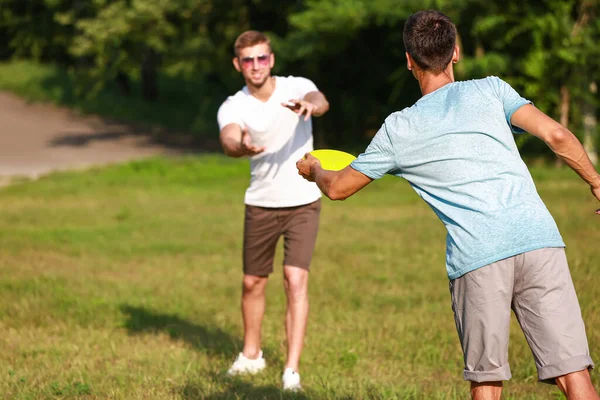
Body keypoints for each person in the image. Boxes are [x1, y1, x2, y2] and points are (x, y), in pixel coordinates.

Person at [296, 10, 600, 400]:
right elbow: (556, 134)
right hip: (538, 239)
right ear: (455, 52)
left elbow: (338, 188)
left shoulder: (399, 128)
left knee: (487, 382)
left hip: (479, 255)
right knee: (574, 374)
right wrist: (595, 182)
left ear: (409, 60)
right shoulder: (492, 89)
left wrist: (315, 169)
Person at [217, 30, 329, 391]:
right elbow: (229, 138)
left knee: (295, 279)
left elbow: (319, 99)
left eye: (262, 57)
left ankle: (291, 370)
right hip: (261, 203)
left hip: (302, 201)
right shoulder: (234, 105)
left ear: (272, 60)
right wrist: (240, 146)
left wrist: (311, 106)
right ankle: (252, 355)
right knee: (252, 282)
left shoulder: (296, 87)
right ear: (238, 65)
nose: (255, 66)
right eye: (248, 60)